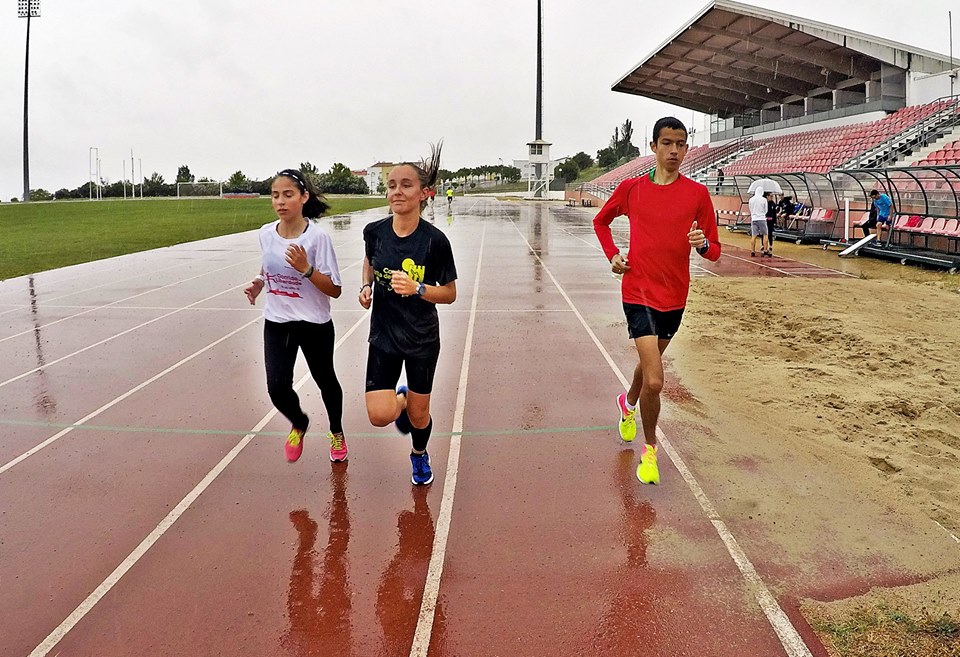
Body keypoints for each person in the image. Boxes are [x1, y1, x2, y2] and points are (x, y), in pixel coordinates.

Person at [593, 116, 721, 485]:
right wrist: (613, 255)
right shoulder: (632, 189)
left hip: (675, 296)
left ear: (687, 148)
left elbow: (714, 251)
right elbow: (601, 222)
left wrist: (703, 244)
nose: (674, 151)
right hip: (638, 291)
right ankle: (650, 452)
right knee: (655, 381)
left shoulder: (697, 194)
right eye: (667, 143)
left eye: (681, 144)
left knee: (649, 369)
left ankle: (627, 404)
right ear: (653, 146)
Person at [359, 143, 457, 486]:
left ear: (423, 192)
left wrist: (418, 288)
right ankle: (399, 399)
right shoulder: (374, 232)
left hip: (421, 339)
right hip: (383, 335)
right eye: (391, 185)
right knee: (379, 415)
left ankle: (419, 454)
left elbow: (450, 293)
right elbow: (369, 261)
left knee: (419, 416)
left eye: (405, 185)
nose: (396, 192)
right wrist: (366, 286)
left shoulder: (434, 241)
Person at [244, 169, 347, 463]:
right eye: (275, 195)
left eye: (288, 195)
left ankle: (336, 431)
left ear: (303, 198)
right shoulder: (266, 233)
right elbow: (268, 264)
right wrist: (259, 282)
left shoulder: (317, 238)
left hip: (314, 324)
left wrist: (307, 269)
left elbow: (335, 289)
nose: (280, 201)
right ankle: (299, 422)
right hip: (277, 322)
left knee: (326, 381)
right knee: (277, 388)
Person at [748, 187, 771, 257]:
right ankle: (765, 250)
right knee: (765, 234)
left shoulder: (751, 199)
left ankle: (752, 251)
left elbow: (750, 209)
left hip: (754, 219)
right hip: (762, 218)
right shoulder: (764, 200)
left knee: (754, 235)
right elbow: (766, 210)